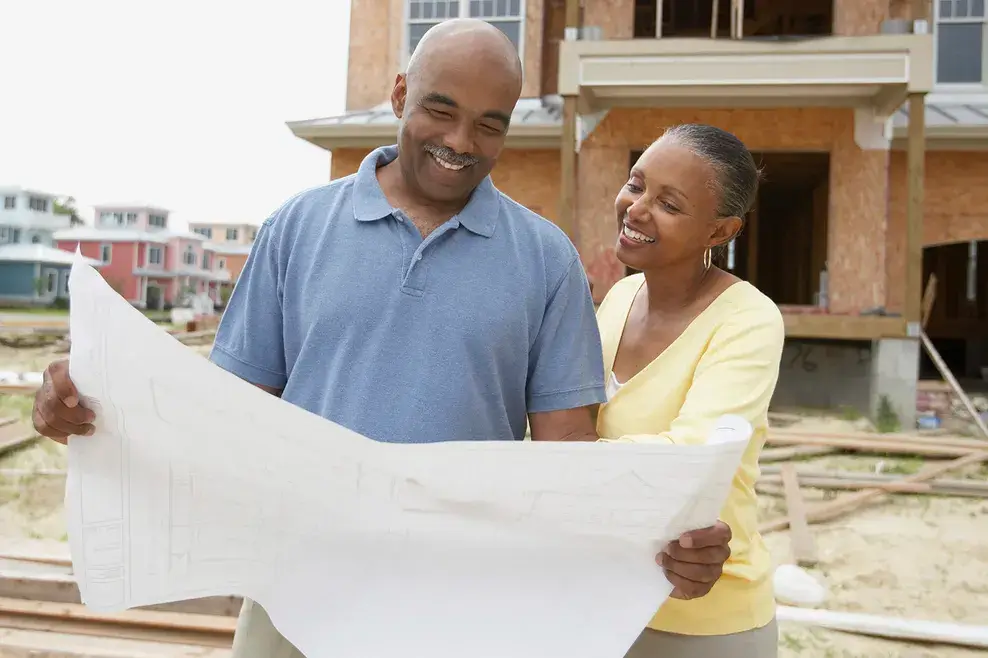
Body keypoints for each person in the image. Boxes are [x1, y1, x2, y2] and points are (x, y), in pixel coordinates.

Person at [31, 20, 733, 658]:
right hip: (294, 590)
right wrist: (98, 407)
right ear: (400, 93)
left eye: (489, 124)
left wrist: (662, 546)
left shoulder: (545, 259)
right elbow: (225, 418)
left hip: (458, 603)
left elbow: (567, 461)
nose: (461, 142)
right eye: (440, 109)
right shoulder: (297, 229)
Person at [596, 123, 784, 657]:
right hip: (606, 602)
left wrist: (564, 462)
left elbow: (694, 456)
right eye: (636, 184)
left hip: (706, 620)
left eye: (669, 204)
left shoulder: (748, 320)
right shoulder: (620, 298)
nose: (636, 208)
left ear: (720, 233)